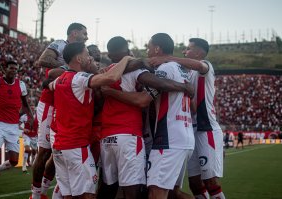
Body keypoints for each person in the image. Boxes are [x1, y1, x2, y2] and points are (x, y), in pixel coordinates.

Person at [98, 36, 194, 199]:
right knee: (146, 191)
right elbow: (147, 97)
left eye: (148, 47)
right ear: (128, 53)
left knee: (109, 188)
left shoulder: (105, 73)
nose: (146, 51)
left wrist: (108, 91)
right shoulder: (177, 70)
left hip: (108, 136)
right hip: (134, 135)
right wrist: (185, 87)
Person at [48, 41, 134, 198]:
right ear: (79, 59)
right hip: (75, 147)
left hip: (59, 147)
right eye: (87, 54)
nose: (90, 58)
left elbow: (49, 84)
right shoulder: (79, 78)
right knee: (88, 195)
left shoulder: (61, 80)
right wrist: (126, 58)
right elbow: (112, 77)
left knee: (69, 196)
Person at [148, 38, 226, 199]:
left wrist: (167, 58)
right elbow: (193, 103)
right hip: (190, 129)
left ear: (198, 52)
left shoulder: (205, 66)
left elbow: (199, 66)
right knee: (195, 183)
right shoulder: (186, 72)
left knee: (211, 181)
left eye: (188, 49)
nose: (185, 51)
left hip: (207, 129)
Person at [31, 23, 88, 199]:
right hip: (50, 102)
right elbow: (43, 60)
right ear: (74, 32)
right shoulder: (60, 44)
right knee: (45, 151)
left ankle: (44, 191)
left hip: (66, 105)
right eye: (84, 33)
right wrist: (67, 67)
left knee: (59, 150)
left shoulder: (81, 52)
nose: (86, 36)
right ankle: (34, 195)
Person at [0, 60, 33, 199]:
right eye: (11, 68)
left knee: (14, 161)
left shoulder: (21, 85)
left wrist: (31, 116)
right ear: (5, 69)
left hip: (13, 127)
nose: (14, 71)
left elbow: (25, 103)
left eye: (16, 69)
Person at [19, 107, 38, 173]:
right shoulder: (24, 117)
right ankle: (24, 165)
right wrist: (24, 129)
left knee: (34, 151)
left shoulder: (38, 116)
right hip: (26, 135)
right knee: (27, 149)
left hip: (35, 136)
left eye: (33, 108)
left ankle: (32, 161)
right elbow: (18, 125)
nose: (32, 110)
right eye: (30, 108)